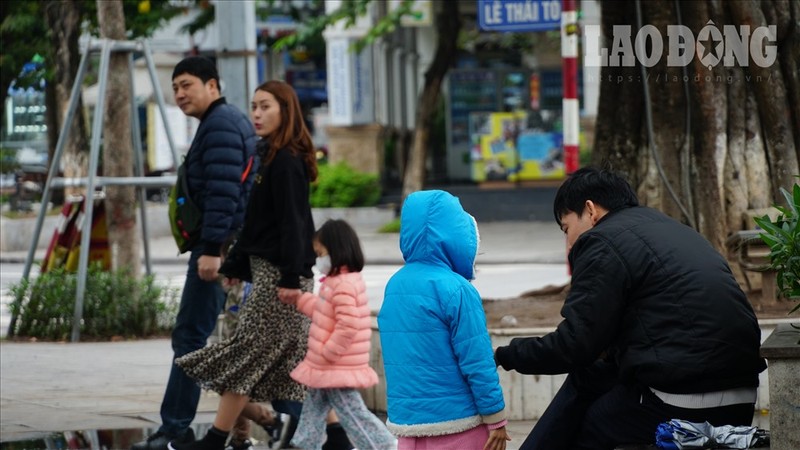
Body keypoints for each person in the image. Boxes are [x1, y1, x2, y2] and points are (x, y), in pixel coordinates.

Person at [493, 167, 767, 450]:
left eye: (567, 229)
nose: (569, 244)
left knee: (587, 418)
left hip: (683, 401)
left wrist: (504, 354)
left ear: (590, 210)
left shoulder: (602, 242)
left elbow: (573, 346)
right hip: (743, 398)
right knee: (594, 373)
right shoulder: (672, 229)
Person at [167, 80, 348, 450]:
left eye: (266, 106)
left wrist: (289, 279)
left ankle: (216, 439)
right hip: (274, 272)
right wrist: (236, 264)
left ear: (286, 110)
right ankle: (336, 437)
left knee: (245, 357)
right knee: (293, 364)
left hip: (283, 278)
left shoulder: (286, 161)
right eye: (254, 107)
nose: (257, 114)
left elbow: (293, 224)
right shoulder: (270, 155)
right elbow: (258, 224)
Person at [132, 56, 257, 450]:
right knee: (215, 338)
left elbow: (223, 194)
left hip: (218, 249)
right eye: (175, 88)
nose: (180, 94)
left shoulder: (220, 125)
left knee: (190, 337)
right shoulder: (221, 123)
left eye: (187, 84)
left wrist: (211, 251)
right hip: (225, 246)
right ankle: (274, 416)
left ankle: (175, 429)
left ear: (213, 86)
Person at [378, 190, 511, 450]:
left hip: (408, 427)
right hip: (459, 423)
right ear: (458, 238)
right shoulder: (457, 289)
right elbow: (477, 359)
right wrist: (495, 417)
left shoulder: (395, 285)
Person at [280, 219, 397, 450]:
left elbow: (348, 325)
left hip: (334, 365)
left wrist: (327, 352)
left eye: (320, 253)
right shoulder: (336, 282)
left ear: (336, 250)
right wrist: (300, 300)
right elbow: (326, 313)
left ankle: (383, 445)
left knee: (352, 413)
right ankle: (303, 444)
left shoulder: (342, 284)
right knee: (313, 409)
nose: (318, 259)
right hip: (327, 365)